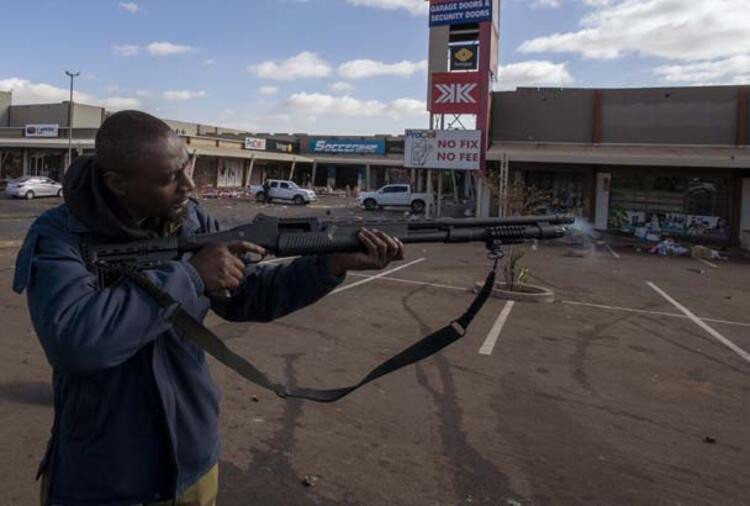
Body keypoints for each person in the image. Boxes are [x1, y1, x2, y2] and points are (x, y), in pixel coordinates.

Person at [13, 110, 404, 505]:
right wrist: (191, 277)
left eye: (187, 168)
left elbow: (250, 295)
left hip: (192, 458)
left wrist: (330, 265)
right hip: (105, 472)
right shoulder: (61, 235)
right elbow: (77, 342)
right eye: (169, 178)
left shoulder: (190, 219)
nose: (188, 184)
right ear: (117, 183)